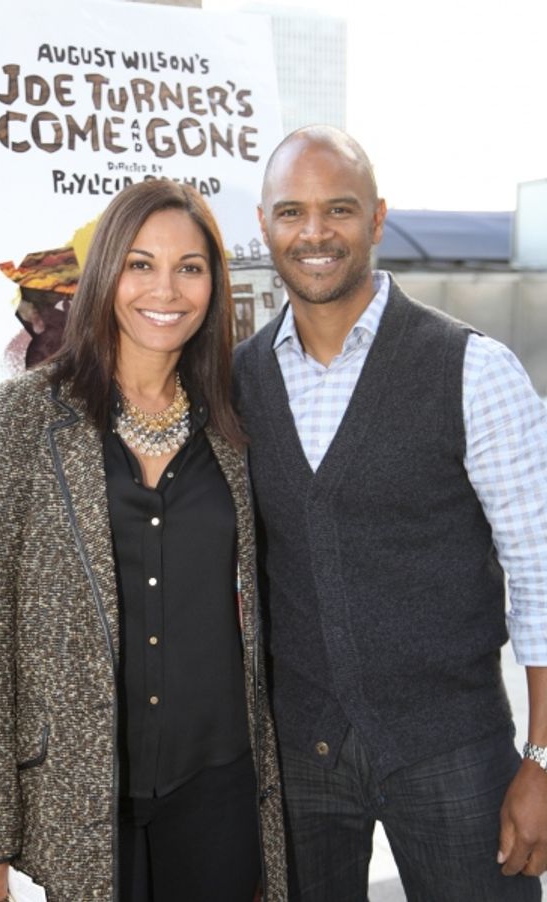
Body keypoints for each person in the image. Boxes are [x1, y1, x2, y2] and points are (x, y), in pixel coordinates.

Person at [233, 125, 547, 901]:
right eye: (291, 213)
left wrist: (543, 761)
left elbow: (539, 572)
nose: (314, 233)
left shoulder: (474, 368)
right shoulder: (236, 381)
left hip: (455, 751)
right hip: (298, 756)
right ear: (266, 226)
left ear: (375, 220)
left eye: (338, 210)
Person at [0, 179, 287, 902]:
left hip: (220, 789)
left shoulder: (236, 424)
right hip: (81, 799)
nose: (165, 289)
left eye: (189, 267)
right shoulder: (22, 418)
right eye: (140, 263)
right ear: (105, 273)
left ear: (213, 285)